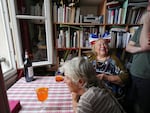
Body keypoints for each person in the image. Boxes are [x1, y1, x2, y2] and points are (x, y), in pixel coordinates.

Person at [59, 57, 126, 113]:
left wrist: (74, 101)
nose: (64, 80)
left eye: (67, 77)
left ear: (80, 82)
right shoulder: (97, 85)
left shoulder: (88, 98)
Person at [125, 4, 150, 113]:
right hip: (134, 72)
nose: (148, 8)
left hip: (147, 77)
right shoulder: (141, 29)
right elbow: (128, 47)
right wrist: (140, 49)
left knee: (144, 107)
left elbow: (145, 45)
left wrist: (146, 23)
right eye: (148, 5)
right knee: (130, 103)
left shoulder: (145, 26)